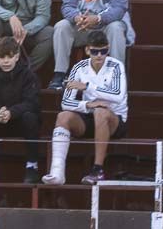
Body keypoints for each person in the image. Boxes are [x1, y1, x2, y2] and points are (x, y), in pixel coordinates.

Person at [43, 30, 127, 185]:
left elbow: (118, 95)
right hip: (90, 115)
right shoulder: (79, 67)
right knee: (63, 116)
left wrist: (87, 87)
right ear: (87, 50)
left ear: (108, 49)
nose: (100, 55)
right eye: (95, 51)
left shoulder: (116, 66)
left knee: (101, 112)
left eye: (104, 51)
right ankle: (57, 171)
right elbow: (66, 102)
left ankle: (98, 169)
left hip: (115, 119)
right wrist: (88, 104)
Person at [49, 0, 133, 90]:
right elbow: (67, 6)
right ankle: (59, 75)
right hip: (82, 26)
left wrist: (98, 18)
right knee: (61, 26)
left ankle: (117, 76)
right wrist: (77, 17)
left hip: (105, 26)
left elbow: (119, 9)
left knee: (116, 27)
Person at [0, 36, 43, 183]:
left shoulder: (28, 75)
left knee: (31, 118)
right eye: (1, 57)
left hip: (20, 122)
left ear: (17, 57)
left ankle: (32, 166)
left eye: (9, 57)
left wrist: (11, 112)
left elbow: (32, 103)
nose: (5, 61)